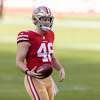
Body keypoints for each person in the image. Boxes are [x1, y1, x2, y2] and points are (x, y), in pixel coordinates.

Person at [16, 6, 65, 100]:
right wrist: (27, 71)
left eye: (49, 19)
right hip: (35, 77)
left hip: (48, 77)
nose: (47, 22)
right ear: (35, 20)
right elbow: (19, 61)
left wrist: (60, 68)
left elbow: (51, 56)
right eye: (44, 19)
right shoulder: (27, 36)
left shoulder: (50, 34)